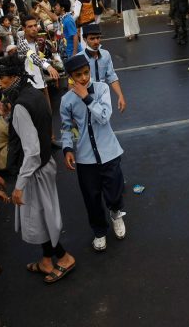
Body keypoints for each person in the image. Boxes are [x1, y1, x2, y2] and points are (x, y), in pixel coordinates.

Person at [0, 56, 75, 283]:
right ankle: (47, 260)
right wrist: (6, 114)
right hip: (43, 166)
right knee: (40, 216)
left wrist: (19, 185)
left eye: (2, 78)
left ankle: (64, 258)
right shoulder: (33, 93)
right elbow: (33, 130)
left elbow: (32, 150)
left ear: (15, 76)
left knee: (44, 218)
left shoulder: (20, 106)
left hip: (35, 171)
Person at [60, 54, 127, 252]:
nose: (83, 78)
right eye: (78, 75)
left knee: (114, 192)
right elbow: (66, 127)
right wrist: (68, 148)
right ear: (71, 76)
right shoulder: (66, 100)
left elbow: (104, 116)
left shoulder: (102, 89)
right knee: (91, 197)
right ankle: (99, 231)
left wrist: (87, 97)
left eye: (86, 73)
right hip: (85, 158)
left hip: (109, 152)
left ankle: (116, 214)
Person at [78, 24, 127, 112]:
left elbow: (112, 76)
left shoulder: (105, 55)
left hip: (103, 97)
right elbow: (73, 83)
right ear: (85, 39)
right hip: (85, 98)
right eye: (92, 39)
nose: (96, 41)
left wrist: (120, 96)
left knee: (104, 122)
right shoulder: (79, 58)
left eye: (98, 38)